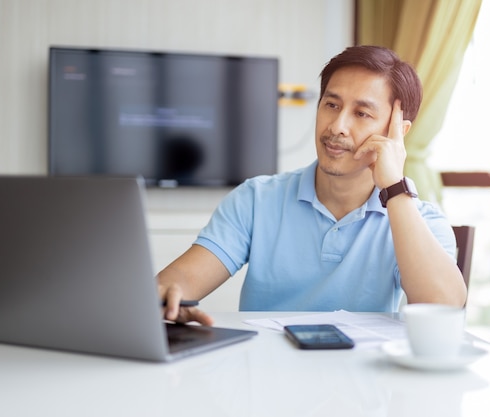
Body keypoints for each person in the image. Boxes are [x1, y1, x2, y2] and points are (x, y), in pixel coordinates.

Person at [159, 45, 467, 325]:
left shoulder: (420, 220)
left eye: (361, 113)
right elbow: (179, 280)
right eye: (331, 105)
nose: (337, 126)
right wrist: (167, 296)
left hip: (365, 382)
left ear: (398, 132)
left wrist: (395, 190)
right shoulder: (256, 199)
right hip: (268, 378)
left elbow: (443, 307)